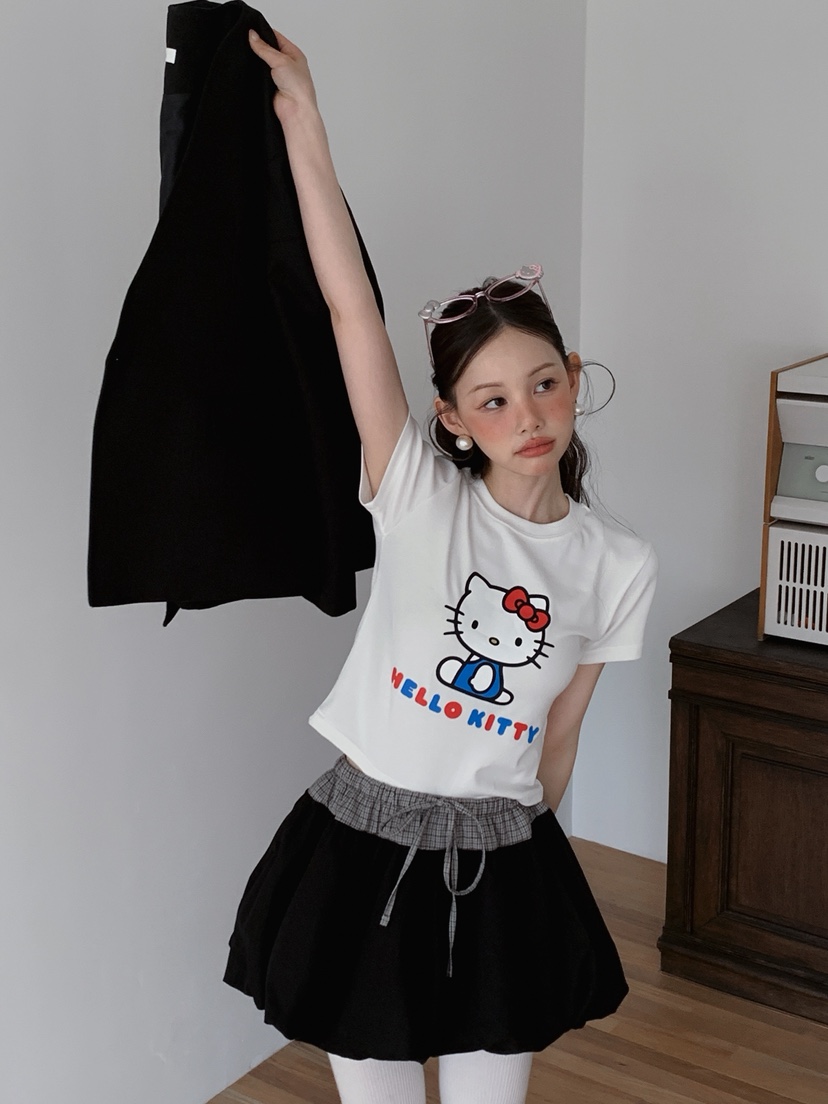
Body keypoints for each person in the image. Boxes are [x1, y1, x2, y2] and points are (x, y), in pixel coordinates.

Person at [223, 26, 658, 1104]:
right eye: (494, 400)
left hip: (502, 862)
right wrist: (305, 121)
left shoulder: (618, 562)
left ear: (574, 379)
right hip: (360, 840)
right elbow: (350, 310)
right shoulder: (417, 493)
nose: (529, 416)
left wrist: (523, 848)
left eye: (545, 384)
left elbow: (559, 736)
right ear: (454, 420)